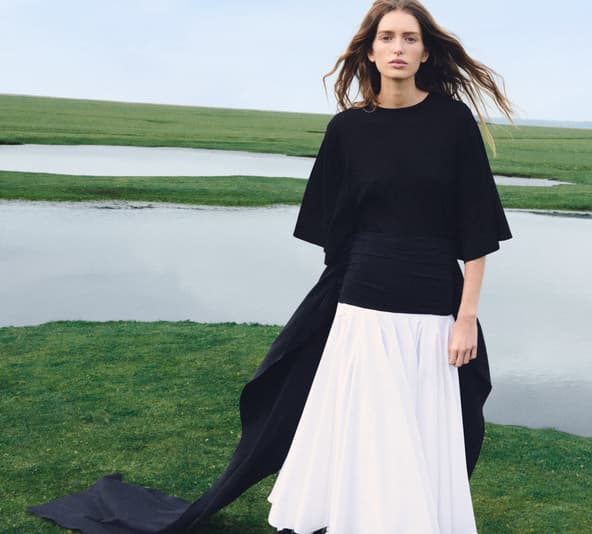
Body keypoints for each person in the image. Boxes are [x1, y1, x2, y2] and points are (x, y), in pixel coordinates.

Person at [27, 1, 514, 532]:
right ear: (370, 50)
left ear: (425, 51)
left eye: (410, 39)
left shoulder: (451, 122)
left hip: (432, 306)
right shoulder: (347, 129)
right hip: (362, 302)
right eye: (388, 37)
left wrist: (466, 316)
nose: (398, 48)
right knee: (365, 423)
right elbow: (336, 232)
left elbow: (476, 229)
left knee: (419, 426)